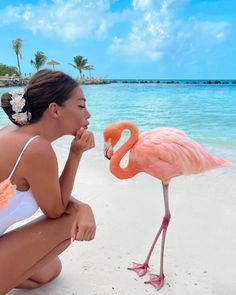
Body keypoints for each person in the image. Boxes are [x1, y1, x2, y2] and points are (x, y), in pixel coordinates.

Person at [0, 69, 96, 294]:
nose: (88, 114)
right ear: (55, 110)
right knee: (71, 220)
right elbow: (56, 211)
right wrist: (75, 154)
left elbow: (49, 192)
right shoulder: (35, 148)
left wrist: (81, 206)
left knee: (49, 270)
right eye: (81, 106)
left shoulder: (14, 132)